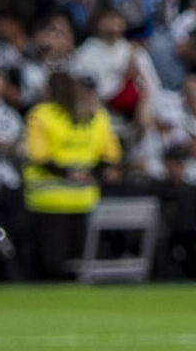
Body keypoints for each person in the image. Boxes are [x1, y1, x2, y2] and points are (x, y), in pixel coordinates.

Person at [22, 74, 122, 279]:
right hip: (76, 197)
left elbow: (38, 155)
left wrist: (69, 173)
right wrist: (91, 173)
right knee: (73, 264)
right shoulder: (96, 115)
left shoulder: (42, 114)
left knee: (54, 263)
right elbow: (111, 155)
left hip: (52, 198)